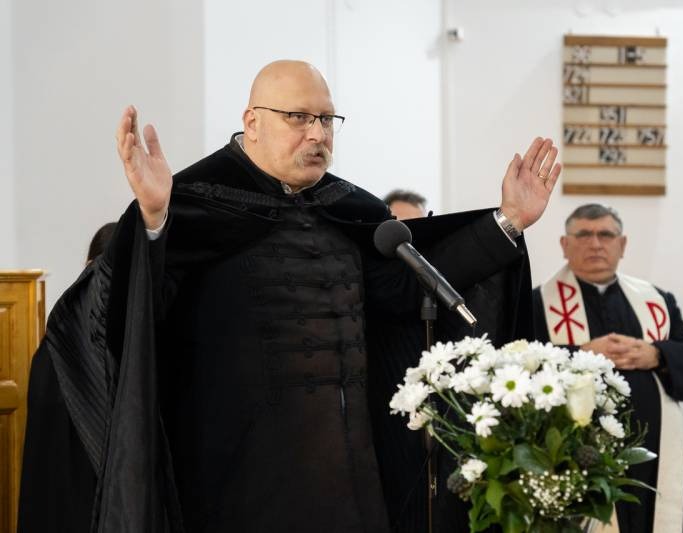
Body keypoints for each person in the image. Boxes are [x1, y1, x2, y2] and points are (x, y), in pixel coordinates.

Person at [19, 60, 562, 533]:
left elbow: (403, 291)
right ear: (252, 122)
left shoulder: (351, 208)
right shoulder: (194, 202)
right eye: (299, 117)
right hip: (236, 478)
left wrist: (508, 221)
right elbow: (129, 317)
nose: (317, 134)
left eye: (327, 119)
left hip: (349, 474)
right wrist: (154, 221)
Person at [531, 204, 683, 533]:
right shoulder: (537, 304)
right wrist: (581, 353)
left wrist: (657, 354)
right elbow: (520, 365)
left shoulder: (657, 302)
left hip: (652, 456)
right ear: (564, 245)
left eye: (606, 234)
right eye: (583, 234)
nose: (595, 244)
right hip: (576, 455)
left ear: (622, 244)